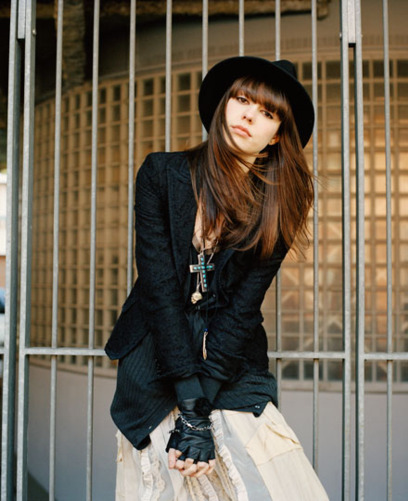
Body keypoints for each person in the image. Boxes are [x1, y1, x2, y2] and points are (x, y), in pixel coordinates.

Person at [105, 56, 329, 501]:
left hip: (229, 362)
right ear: (223, 104)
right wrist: (190, 406)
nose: (249, 116)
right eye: (242, 100)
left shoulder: (280, 202)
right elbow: (159, 290)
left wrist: (199, 409)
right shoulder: (161, 174)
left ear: (276, 135)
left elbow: (245, 306)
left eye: (267, 113)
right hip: (156, 352)